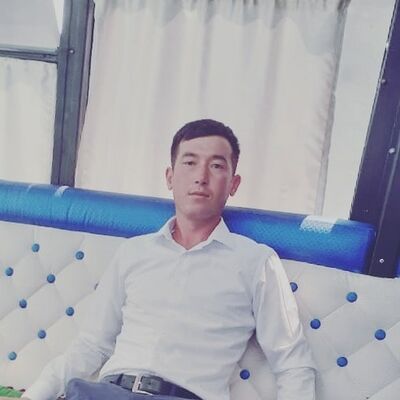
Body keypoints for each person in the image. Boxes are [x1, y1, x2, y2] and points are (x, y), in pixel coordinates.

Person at [23, 119, 315, 400]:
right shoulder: (134, 252)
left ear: (233, 184)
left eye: (216, 166)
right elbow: (92, 344)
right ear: (170, 177)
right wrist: (34, 395)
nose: (201, 177)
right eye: (189, 163)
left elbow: (292, 363)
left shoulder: (256, 261)